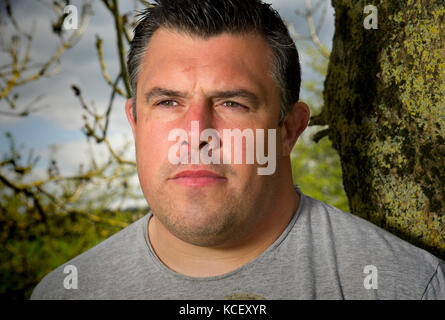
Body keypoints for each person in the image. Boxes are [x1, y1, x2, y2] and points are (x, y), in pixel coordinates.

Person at [31, 0, 444, 300]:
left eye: (232, 103)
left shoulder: (408, 287)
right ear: (136, 123)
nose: (196, 135)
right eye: (167, 102)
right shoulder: (67, 292)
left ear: (289, 130)